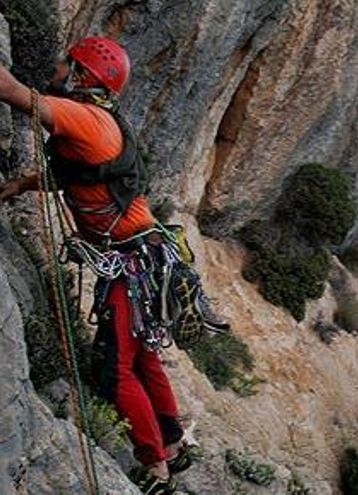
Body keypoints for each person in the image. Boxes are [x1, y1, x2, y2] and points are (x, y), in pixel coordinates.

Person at [0, 36, 227, 494]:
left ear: (84, 76)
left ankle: (155, 467)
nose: (58, 68)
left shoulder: (82, 117)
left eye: (67, 64)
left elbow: (12, 92)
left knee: (117, 368)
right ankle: (174, 446)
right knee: (145, 358)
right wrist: (24, 185)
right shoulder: (98, 121)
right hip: (143, 256)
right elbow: (80, 176)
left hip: (131, 263)